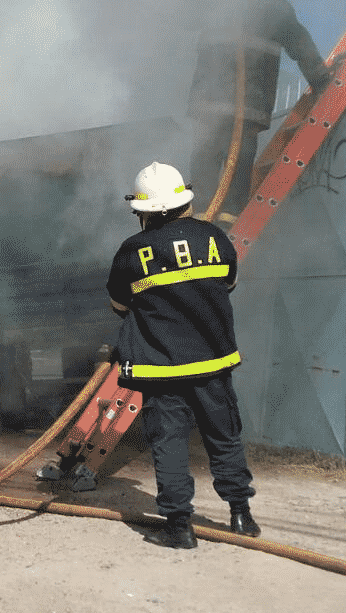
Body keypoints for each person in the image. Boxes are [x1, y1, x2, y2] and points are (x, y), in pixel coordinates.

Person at [107, 161, 259, 549]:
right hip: (212, 363)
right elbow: (229, 283)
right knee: (224, 436)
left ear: (143, 211)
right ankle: (241, 515)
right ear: (182, 201)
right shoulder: (214, 238)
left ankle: (180, 526)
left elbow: (119, 305)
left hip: (159, 369)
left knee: (169, 444)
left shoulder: (132, 250)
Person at [188, 0, 331, 224]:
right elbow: (299, 42)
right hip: (248, 104)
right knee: (238, 163)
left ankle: (203, 220)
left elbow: (177, 15)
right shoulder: (273, 3)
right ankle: (224, 222)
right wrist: (322, 81)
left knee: (206, 159)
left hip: (211, 102)